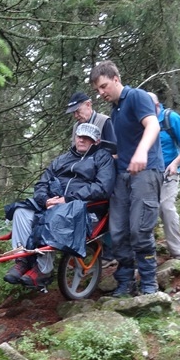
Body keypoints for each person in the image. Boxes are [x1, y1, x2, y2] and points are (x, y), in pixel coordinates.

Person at [3, 123, 116, 289]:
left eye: (87, 138)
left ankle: (43, 270)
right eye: (80, 136)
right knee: (21, 211)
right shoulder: (62, 159)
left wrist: (67, 199)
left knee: (55, 215)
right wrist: (45, 200)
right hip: (54, 204)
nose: (82, 140)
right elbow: (43, 182)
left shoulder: (102, 158)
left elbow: (102, 188)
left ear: (96, 141)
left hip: (85, 208)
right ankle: (22, 260)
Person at [89, 61, 164, 296]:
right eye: (98, 90)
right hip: (123, 173)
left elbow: (152, 125)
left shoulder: (137, 97)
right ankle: (125, 281)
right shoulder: (116, 110)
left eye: (103, 86)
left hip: (147, 170)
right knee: (118, 231)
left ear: (116, 79)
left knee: (140, 229)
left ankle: (149, 282)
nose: (101, 93)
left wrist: (142, 151)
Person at [65, 91, 118, 268]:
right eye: (73, 112)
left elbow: (114, 151)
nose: (75, 115)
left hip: (104, 175)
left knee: (109, 211)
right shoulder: (76, 128)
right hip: (82, 177)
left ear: (89, 104)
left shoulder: (104, 121)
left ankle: (110, 252)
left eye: (77, 110)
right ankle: (80, 249)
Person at [149, 93, 180, 260]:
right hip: (148, 174)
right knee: (147, 211)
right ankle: (148, 253)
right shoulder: (143, 121)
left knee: (166, 208)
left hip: (169, 171)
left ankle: (177, 253)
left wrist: (176, 163)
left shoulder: (171, 118)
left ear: (156, 105)